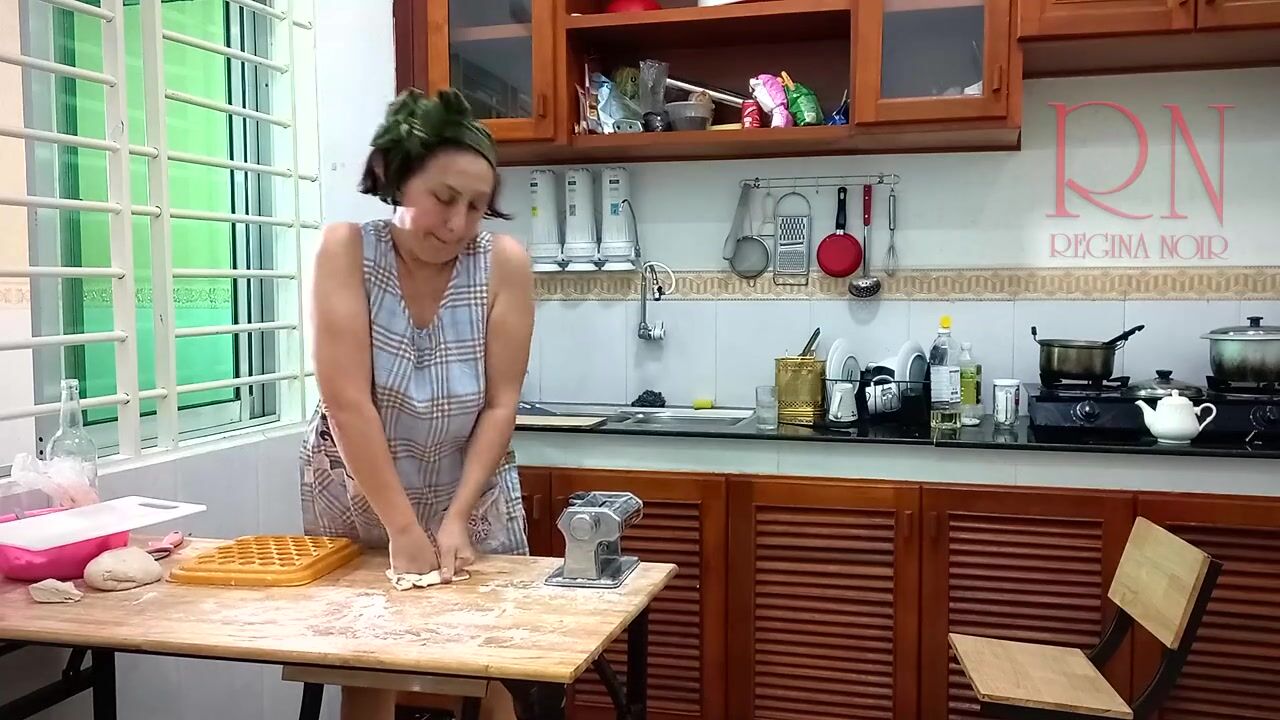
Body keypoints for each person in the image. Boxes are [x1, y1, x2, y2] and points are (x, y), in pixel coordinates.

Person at [301, 88, 533, 720]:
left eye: (477, 207)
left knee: (497, 661)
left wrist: (457, 516)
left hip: (469, 485)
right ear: (397, 178)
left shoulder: (503, 264)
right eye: (444, 198)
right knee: (370, 660)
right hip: (361, 487)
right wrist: (402, 530)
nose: (458, 223)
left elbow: (501, 404)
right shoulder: (345, 250)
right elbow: (348, 403)